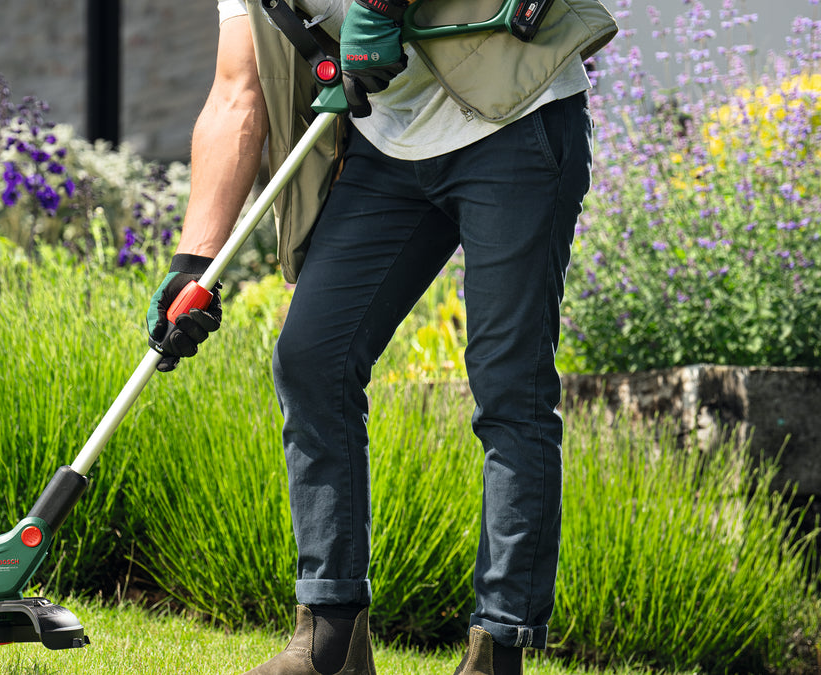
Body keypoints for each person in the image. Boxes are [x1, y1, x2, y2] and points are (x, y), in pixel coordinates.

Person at [145, 1, 617, 674]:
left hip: (515, 115)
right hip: (389, 147)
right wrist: (195, 262)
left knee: (510, 384)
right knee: (313, 359)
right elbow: (236, 92)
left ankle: (499, 647)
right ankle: (330, 641)